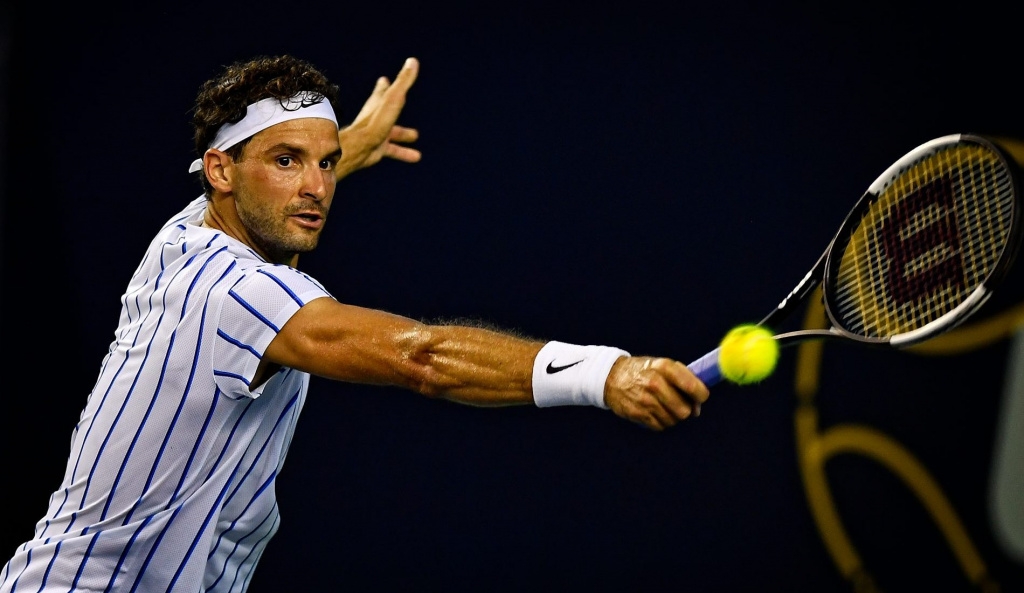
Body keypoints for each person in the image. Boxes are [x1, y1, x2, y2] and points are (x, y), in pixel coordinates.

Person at [0, 54, 709, 593]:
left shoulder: (183, 234)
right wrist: (604, 373)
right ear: (220, 169)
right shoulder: (233, 292)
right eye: (286, 161)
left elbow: (293, 170)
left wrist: (356, 140)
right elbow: (421, 358)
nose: (315, 187)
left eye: (327, 164)